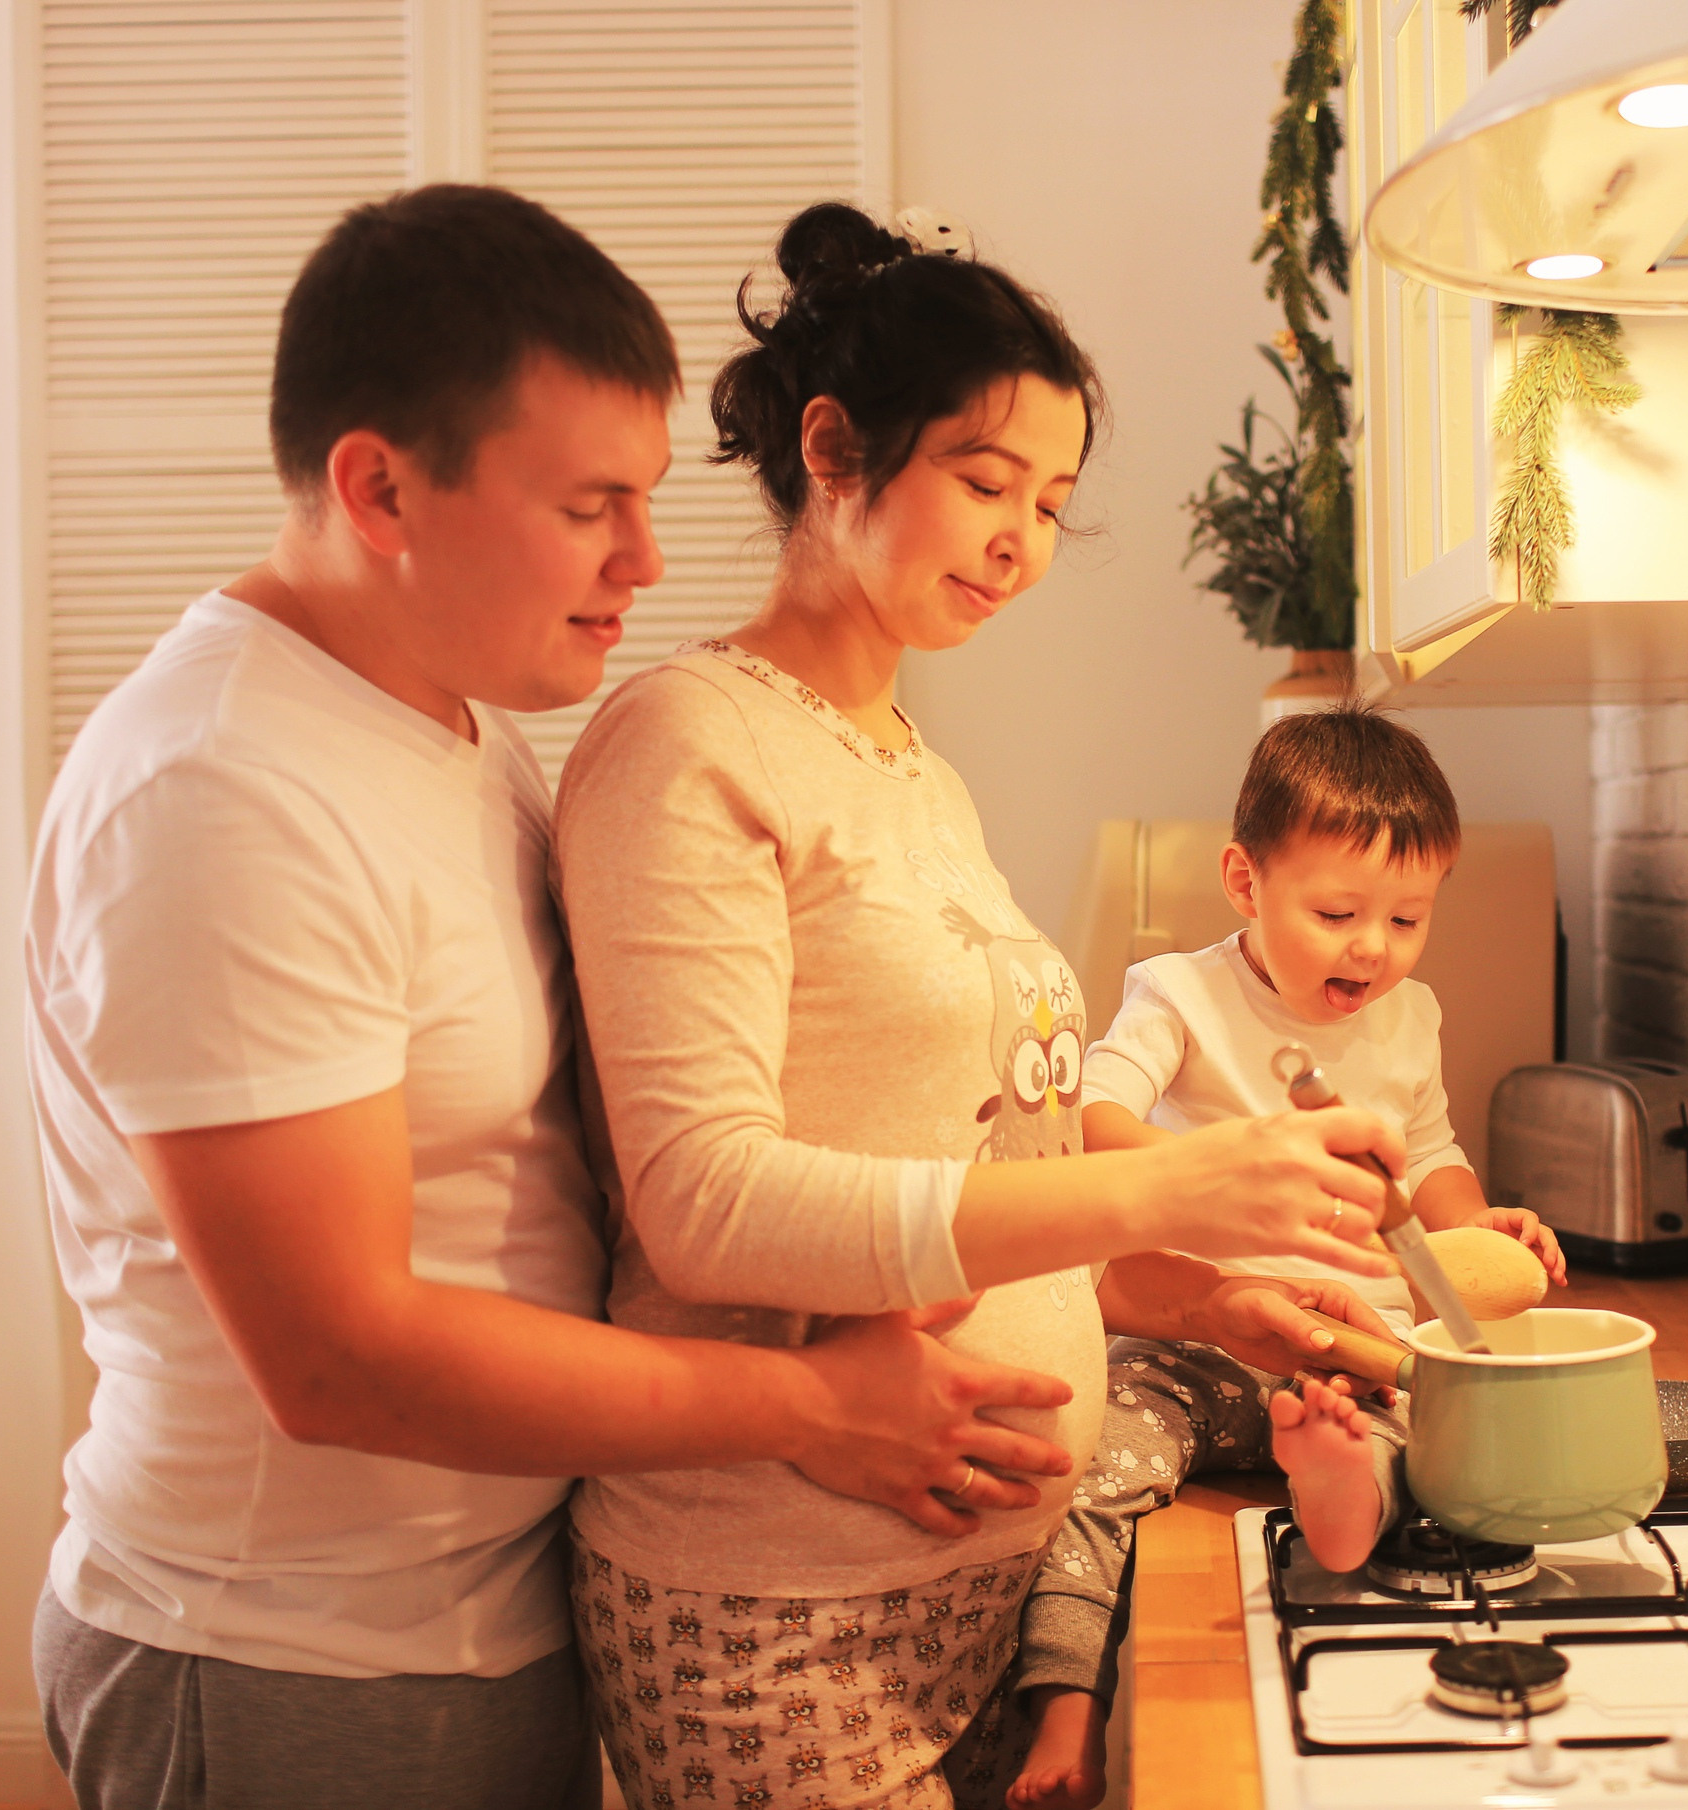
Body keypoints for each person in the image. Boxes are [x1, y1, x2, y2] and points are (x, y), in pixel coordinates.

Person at [24, 185, 1087, 1810]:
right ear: (381, 485)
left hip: (484, 1612)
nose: (645, 560)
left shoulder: (461, 735)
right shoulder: (219, 788)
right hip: (282, 1660)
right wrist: (807, 1406)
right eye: (594, 505)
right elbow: (339, 1360)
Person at [551, 203, 1406, 1810]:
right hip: (775, 1605)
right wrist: (1164, 1181)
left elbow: (975, 1171)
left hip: (989, 1596)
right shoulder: (688, 744)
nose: (1022, 539)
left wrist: (1198, 1296)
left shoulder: (917, 774)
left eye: (1055, 504)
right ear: (834, 446)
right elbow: (702, 1201)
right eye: (987, 480)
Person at [1007, 705, 1569, 1810]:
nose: (1374, 945)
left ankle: (1333, 1490)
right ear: (1242, 880)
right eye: (1337, 910)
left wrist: (1476, 1219)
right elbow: (1085, 1121)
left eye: (1408, 917)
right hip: (1193, 1333)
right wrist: (1230, 1174)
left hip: (1352, 1343)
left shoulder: (1412, 1015)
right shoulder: (1178, 992)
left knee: (1441, 1459)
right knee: (1094, 1469)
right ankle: (1064, 1710)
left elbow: (1433, 1156)